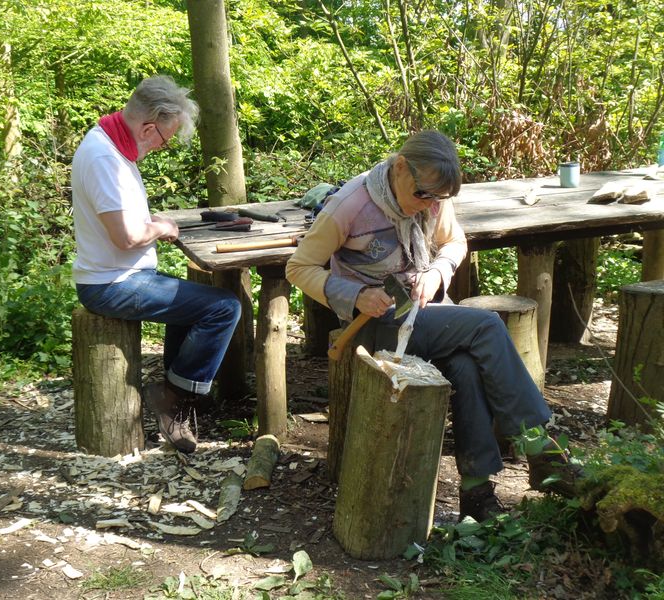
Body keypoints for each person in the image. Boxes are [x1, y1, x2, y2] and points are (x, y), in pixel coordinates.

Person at [286, 130, 581, 521]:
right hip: (372, 325)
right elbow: (298, 268)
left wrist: (439, 271)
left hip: (422, 313)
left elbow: (454, 242)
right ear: (400, 167)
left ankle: (477, 492)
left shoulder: (435, 196)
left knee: (465, 367)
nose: (428, 205)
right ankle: (542, 450)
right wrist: (356, 296)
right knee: (487, 327)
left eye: (437, 198)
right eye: (422, 195)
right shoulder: (350, 206)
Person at [71, 75, 241, 454]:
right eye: (164, 140)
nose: (162, 147)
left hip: (121, 274)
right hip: (111, 284)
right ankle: (174, 398)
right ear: (148, 127)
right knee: (224, 309)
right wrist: (160, 228)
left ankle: (177, 390)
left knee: (195, 305)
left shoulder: (112, 146)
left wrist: (151, 224)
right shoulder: (104, 159)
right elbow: (126, 238)